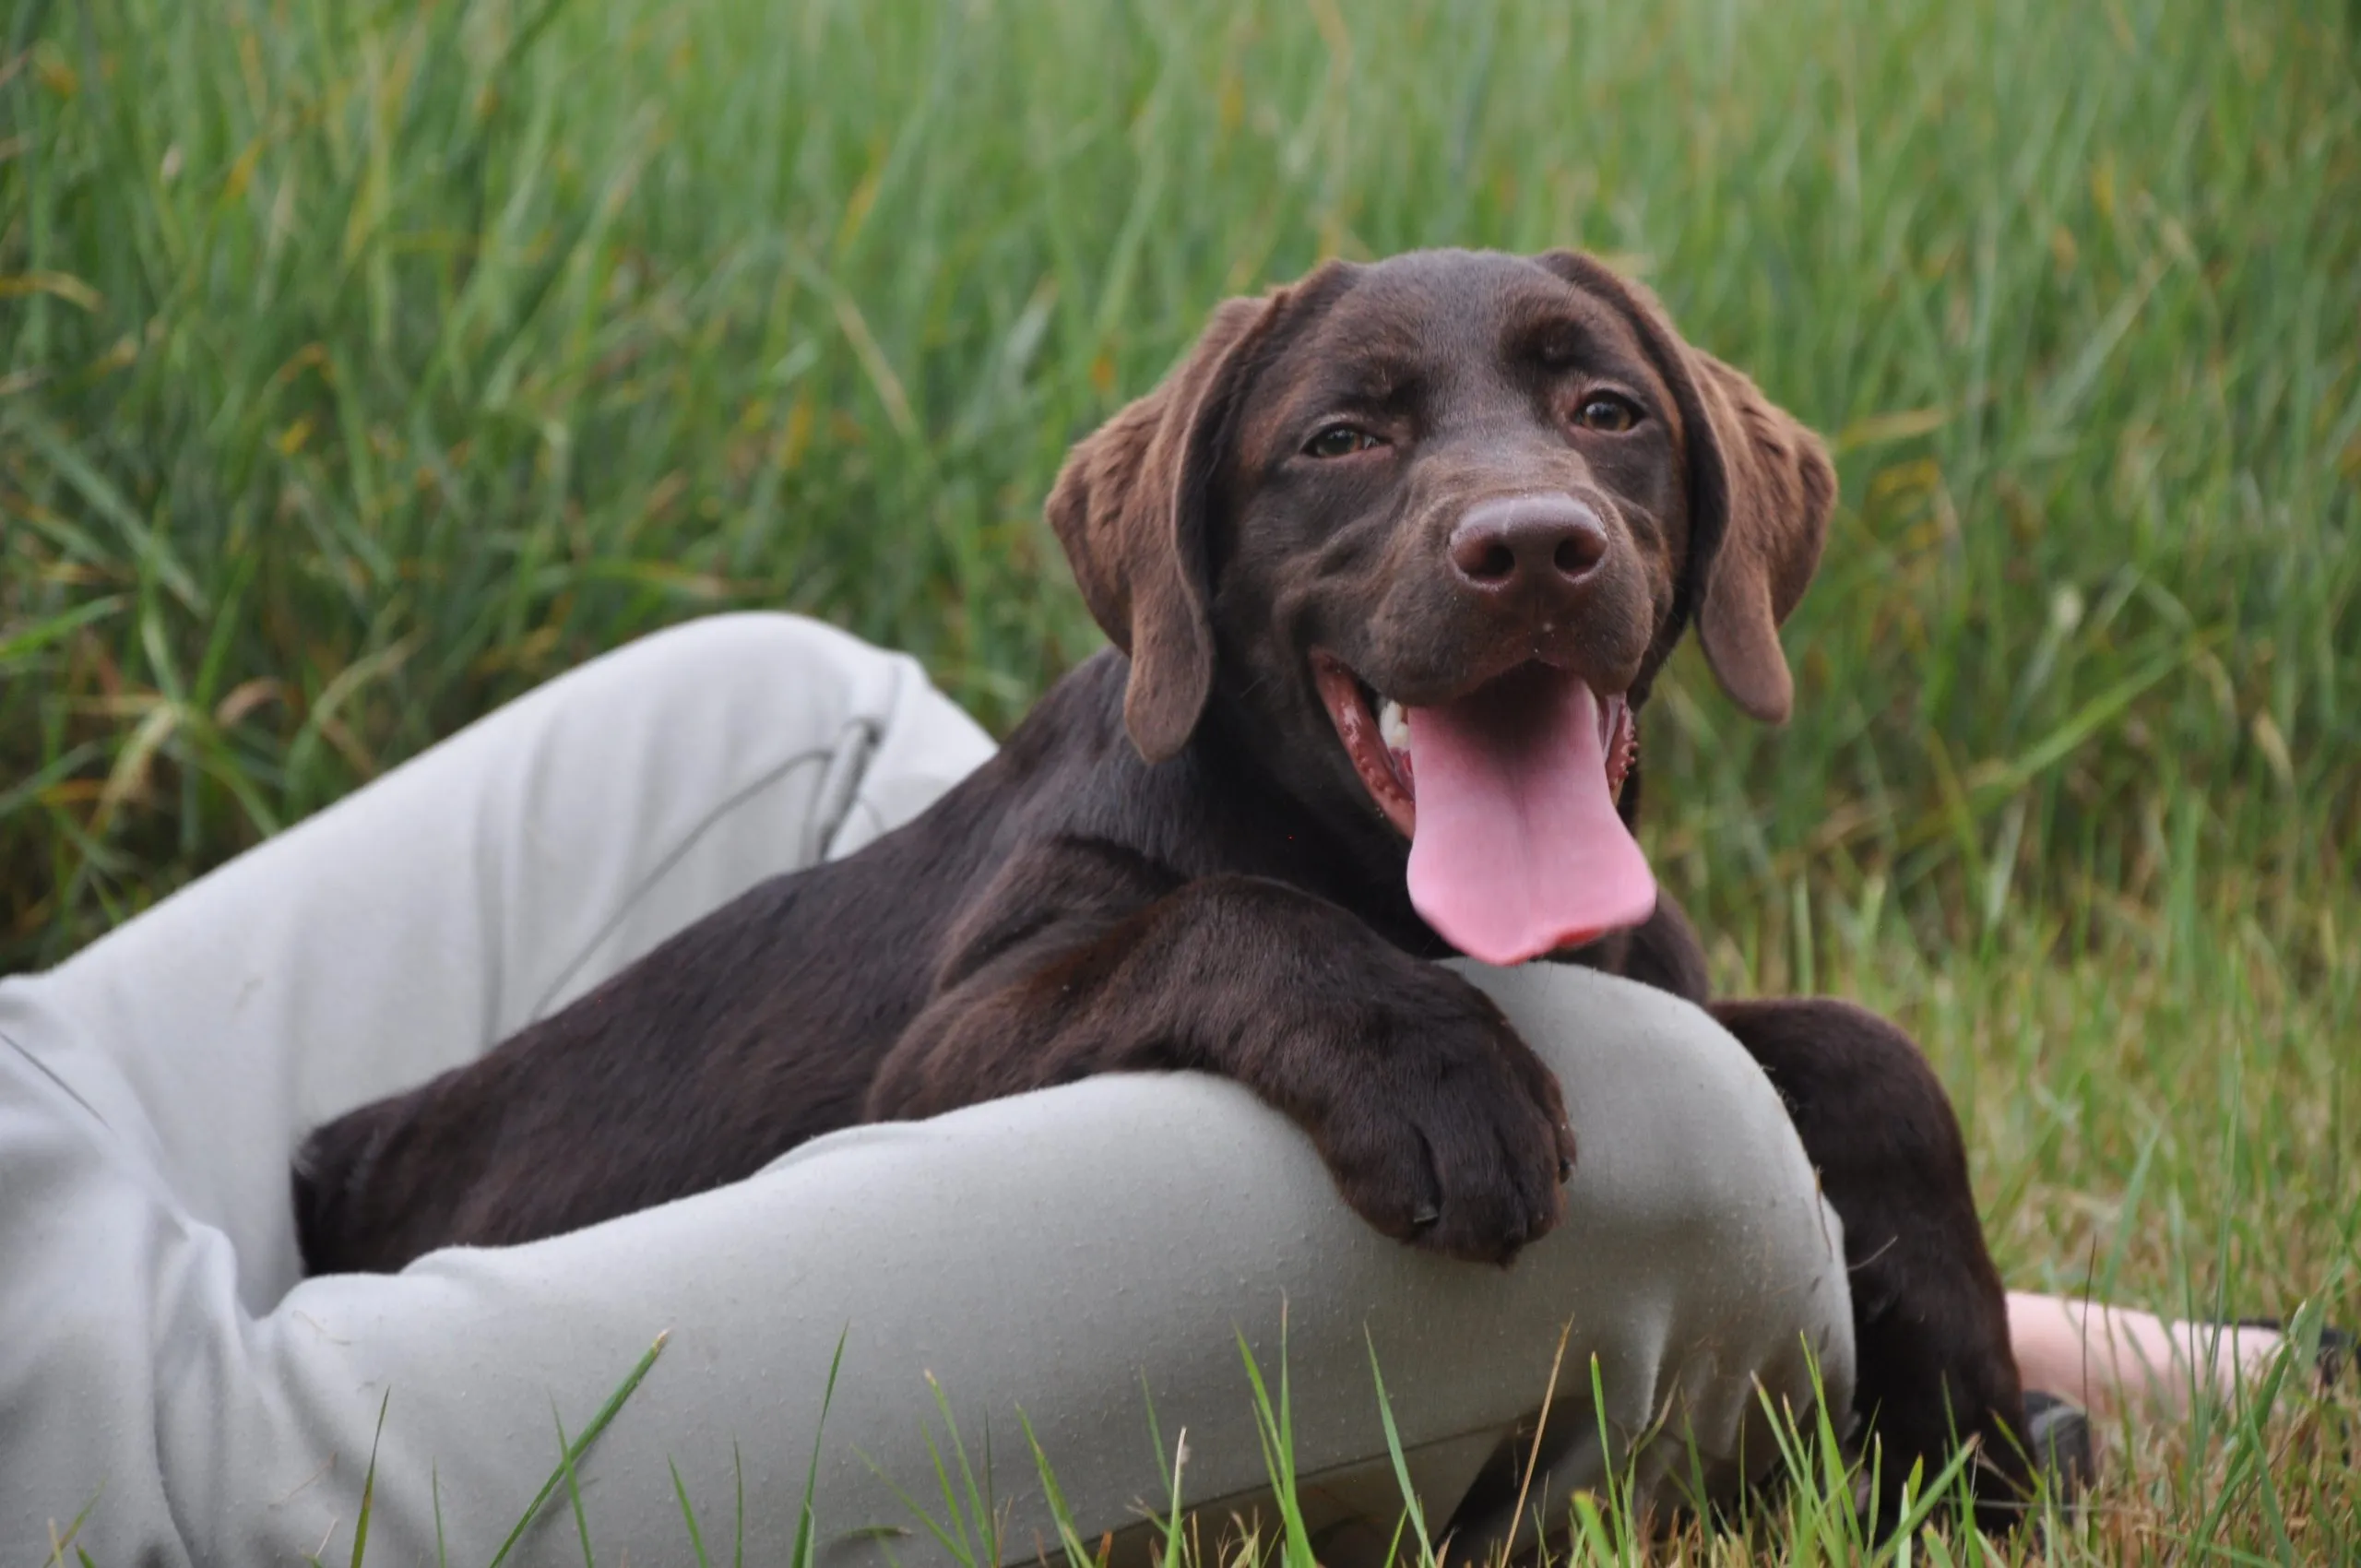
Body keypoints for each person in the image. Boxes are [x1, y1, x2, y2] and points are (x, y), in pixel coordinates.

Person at [0, 614, 2321, 1567]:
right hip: (129, 1453)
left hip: (59, 1106)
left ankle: (1935, 1297)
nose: (1519, 505)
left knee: (816, 723)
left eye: (1602, 422)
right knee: (1649, 1129)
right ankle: (1905, 1326)